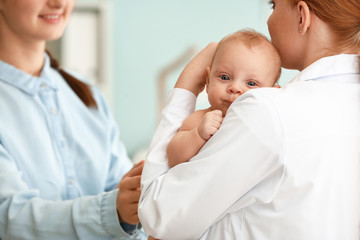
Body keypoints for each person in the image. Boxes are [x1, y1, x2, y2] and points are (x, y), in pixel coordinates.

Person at [139, 0, 360, 239]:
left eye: (273, 5)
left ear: (301, 16)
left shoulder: (267, 111)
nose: (268, 20)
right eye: (225, 77)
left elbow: (158, 215)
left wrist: (185, 88)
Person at [0, 0, 146, 239]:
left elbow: (125, 195)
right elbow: (8, 217)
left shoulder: (87, 95)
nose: (58, 3)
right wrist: (113, 212)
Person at [166, 30, 281, 167]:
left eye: (251, 83)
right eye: (225, 77)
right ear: (208, 81)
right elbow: (173, 157)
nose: (235, 87)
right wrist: (197, 135)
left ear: (271, 94)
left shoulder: (267, 126)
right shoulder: (200, 119)